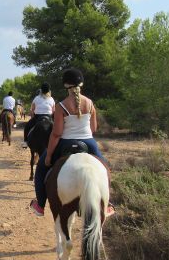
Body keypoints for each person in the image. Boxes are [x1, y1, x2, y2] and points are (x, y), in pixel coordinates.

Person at [29, 68, 111, 217]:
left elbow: (57, 133)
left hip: (65, 143)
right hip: (89, 142)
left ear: (66, 85)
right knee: (105, 168)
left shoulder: (62, 106)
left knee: (41, 169)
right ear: (81, 84)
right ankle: (107, 203)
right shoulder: (90, 103)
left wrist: (48, 157)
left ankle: (40, 205)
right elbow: (93, 128)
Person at [21, 82, 55, 148]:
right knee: (57, 129)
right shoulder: (51, 99)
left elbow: (32, 110)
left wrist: (32, 117)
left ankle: (25, 142)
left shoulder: (36, 98)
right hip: (49, 117)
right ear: (49, 90)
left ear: (41, 90)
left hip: (38, 117)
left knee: (27, 127)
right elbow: (54, 111)